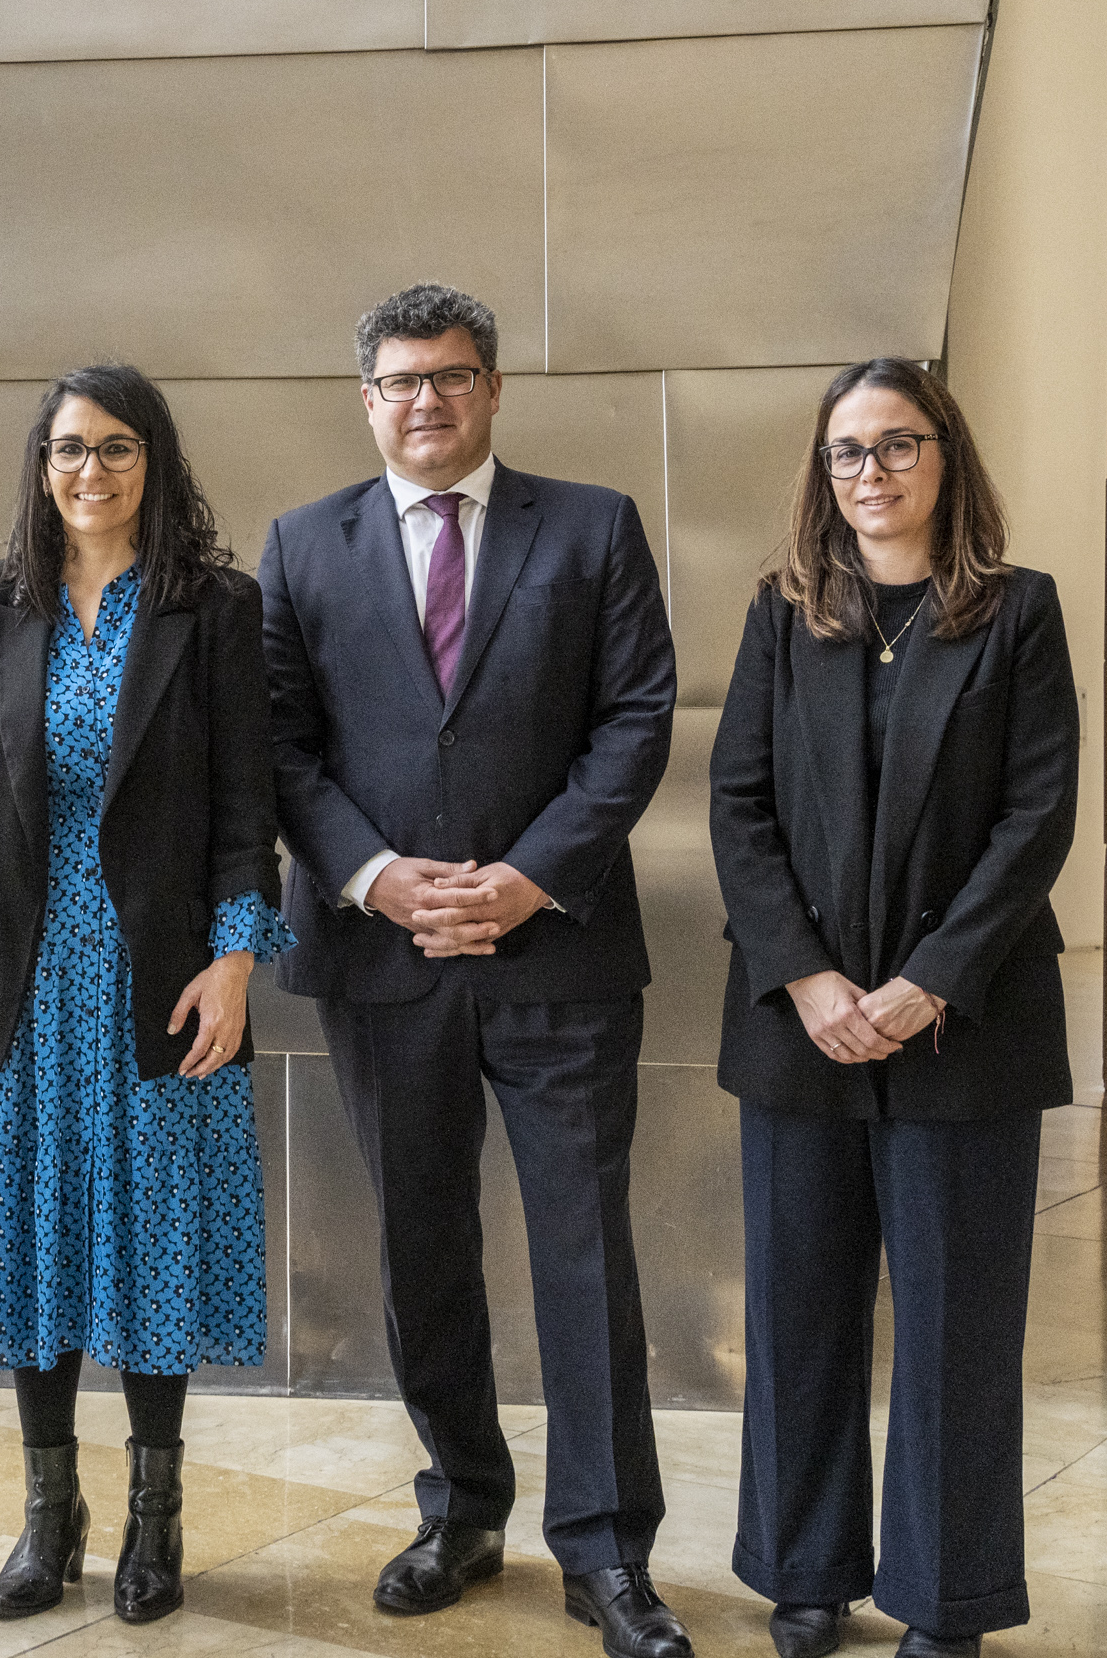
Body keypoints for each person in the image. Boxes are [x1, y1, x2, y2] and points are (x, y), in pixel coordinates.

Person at [262, 284, 686, 1658]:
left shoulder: (592, 527)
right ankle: (459, 1507)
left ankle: (607, 1548)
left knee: (583, 1251)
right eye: (399, 380)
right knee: (421, 1247)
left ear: (493, 387)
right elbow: (276, 743)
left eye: (450, 375)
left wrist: (524, 877)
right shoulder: (302, 543)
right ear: (366, 399)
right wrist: (378, 876)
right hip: (383, 957)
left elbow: (635, 719)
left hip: (556, 949)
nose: (425, 401)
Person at [0, 365, 288, 1624]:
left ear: (153, 461)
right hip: (21, 985)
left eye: (117, 447)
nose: (90, 470)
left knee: (152, 1243)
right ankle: (46, 1510)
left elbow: (246, 810)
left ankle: (153, 1516)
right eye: (68, 448)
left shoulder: (213, 607)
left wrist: (236, 958)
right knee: (35, 1243)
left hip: (162, 986)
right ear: (40, 464)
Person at [708, 359, 1077, 1658]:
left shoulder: (1017, 612)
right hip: (798, 1024)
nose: (870, 471)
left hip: (964, 1026)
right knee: (798, 1315)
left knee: (954, 1330)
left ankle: (945, 1594)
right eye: (847, 451)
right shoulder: (782, 613)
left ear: (944, 454)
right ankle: (802, 1570)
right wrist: (809, 977)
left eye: (896, 443)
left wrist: (928, 982)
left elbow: (1036, 814)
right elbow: (737, 806)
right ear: (823, 473)